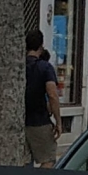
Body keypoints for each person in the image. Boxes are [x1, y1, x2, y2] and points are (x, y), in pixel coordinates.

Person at [24, 30, 63, 166]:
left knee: (24, 161)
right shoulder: (45, 68)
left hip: (19, 120)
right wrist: (58, 121)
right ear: (41, 46)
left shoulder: (19, 66)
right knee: (48, 159)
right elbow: (52, 95)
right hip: (39, 121)